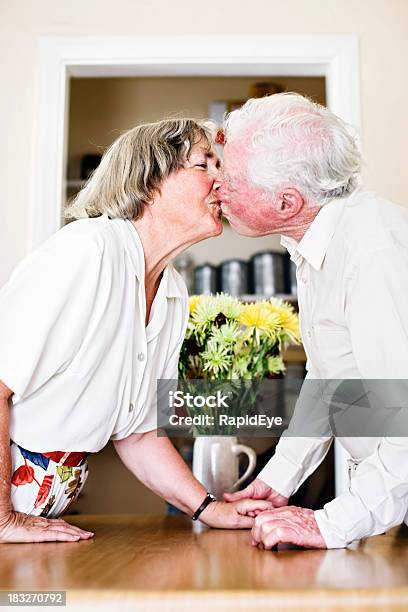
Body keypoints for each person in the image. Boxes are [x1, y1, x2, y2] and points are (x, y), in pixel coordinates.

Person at [0, 118, 273, 543]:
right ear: (151, 179)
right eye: (205, 165)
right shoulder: (86, 252)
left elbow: (139, 432)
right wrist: (3, 518)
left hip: (31, 519)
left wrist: (211, 509)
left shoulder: (172, 290)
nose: (222, 182)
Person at [220, 93, 408, 549]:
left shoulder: (372, 253)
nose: (217, 188)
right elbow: (330, 378)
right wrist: (280, 478)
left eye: (232, 179)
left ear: (286, 202)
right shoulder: (318, 241)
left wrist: (329, 524)